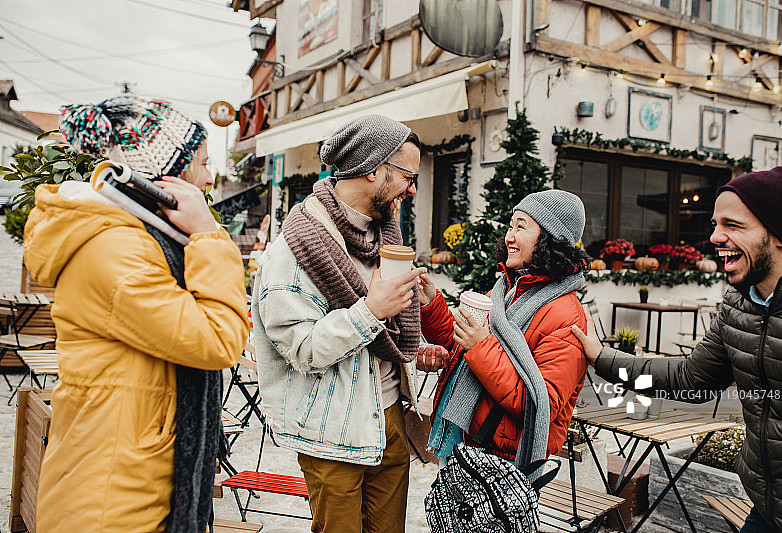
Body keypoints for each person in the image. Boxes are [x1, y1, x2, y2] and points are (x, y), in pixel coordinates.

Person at [23, 94, 250, 532]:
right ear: (167, 179)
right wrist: (209, 235)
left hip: (133, 476)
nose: (209, 176)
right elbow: (217, 340)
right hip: (111, 498)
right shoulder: (115, 249)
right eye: (202, 162)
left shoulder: (142, 239)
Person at [570, 163, 782, 533]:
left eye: (733, 225)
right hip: (767, 509)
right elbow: (691, 379)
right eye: (714, 225)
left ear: (779, 233)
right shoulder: (738, 305)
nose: (716, 237)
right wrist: (603, 357)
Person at [251, 114, 425, 533]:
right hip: (331, 431)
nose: (413, 188)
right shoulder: (295, 248)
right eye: (407, 175)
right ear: (373, 169)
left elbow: (389, 335)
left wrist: (414, 342)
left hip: (389, 419)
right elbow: (302, 349)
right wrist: (371, 311)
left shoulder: (386, 236)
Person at [416, 190, 590, 474]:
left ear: (549, 238)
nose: (509, 236)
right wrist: (430, 303)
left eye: (521, 227)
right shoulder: (506, 293)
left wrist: (479, 346)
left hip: (507, 464)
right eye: (511, 226)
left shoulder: (566, 316)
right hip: (470, 447)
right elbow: (462, 344)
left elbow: (539, 405)